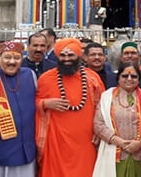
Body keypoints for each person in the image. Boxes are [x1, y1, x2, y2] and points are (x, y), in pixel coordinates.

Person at [35, 37, 105, 177]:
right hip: (55, 141)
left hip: (85, 141)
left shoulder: (92, 78)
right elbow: (32, 102)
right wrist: (45, 103)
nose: (66, 59)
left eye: (71, 55)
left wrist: (99, 132)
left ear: (78, 56)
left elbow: (103, 108)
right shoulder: (45, 78)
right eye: (62, 55)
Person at [0, 41, 37, 177]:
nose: (12, 62)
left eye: (16, 58)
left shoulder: (30, 75)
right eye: (7, 57)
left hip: (26, 148)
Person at [93, 61, 141, 177]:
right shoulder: (107, 97)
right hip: (114, 152)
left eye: (134, 76)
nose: (129, 79)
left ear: (139, 79)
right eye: (125, 76)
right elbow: (98, 124)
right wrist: (119, 142)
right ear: (118, 78)